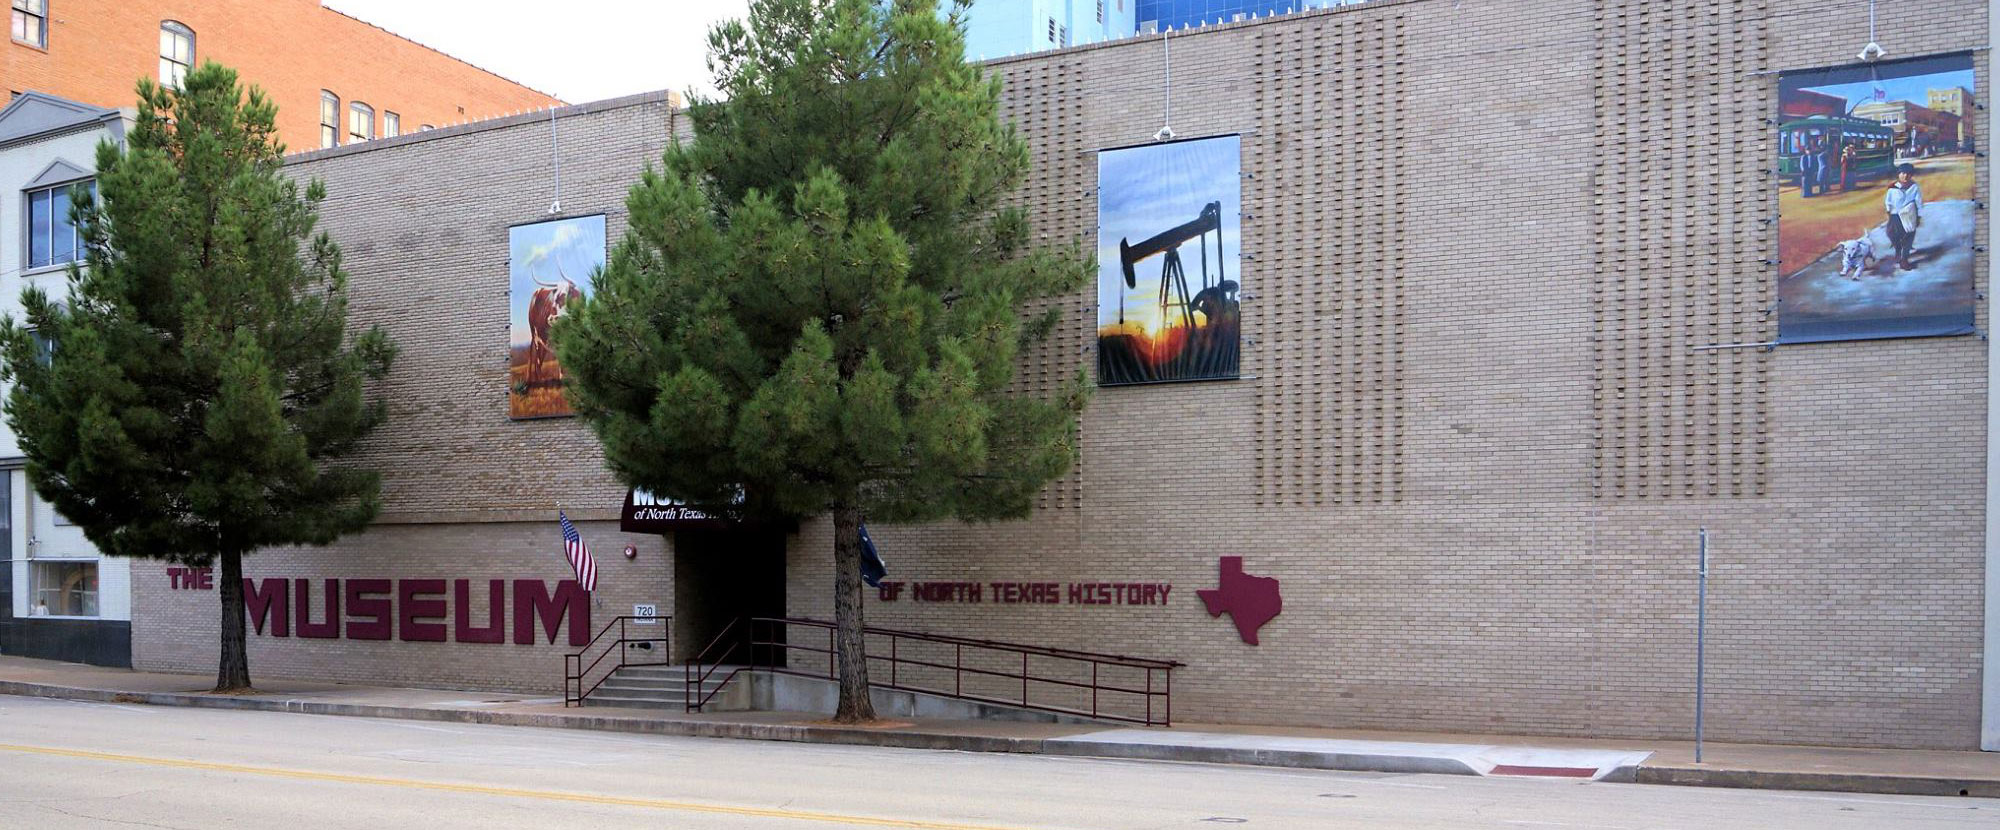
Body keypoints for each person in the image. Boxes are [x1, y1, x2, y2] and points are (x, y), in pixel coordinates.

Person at [1884, 163, 1923, 270]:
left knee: (1909, 236)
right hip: (1895, 215)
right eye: (1902, 173)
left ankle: (1904, 259)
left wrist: (1919, 216)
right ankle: (1898, 249)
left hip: (1909, 215)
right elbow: (1888, 201)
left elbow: (1919, 202)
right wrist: (1889, 212)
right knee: (1891, 233)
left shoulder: (1914, 187)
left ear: (1911, 175)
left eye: (1908, 174)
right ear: (1898, 174)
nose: (1905, 176)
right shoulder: (1892, 188)